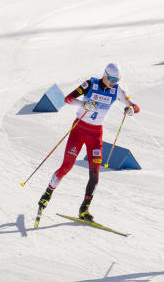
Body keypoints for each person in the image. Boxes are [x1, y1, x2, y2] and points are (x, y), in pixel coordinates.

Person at [36, 63, 139, 222]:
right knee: (66, 166)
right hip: (79, 129)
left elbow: (134, 105)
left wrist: (131, 109)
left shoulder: (116, 90)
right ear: (104, 74)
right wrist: (83, 104)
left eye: (116, 79)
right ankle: (47, 194)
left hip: (95, 134)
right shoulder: (90, 84)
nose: (113, 82)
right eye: (111, 78)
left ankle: (84, 209)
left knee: (95, 174)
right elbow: (68, 99)